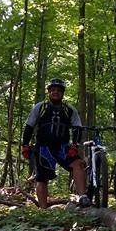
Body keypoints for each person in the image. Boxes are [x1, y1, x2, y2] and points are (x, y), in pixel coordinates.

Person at [21, 78, 89, 208]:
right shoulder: (40, 107)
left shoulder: (69, 109)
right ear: (49, 92)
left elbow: (77, 128)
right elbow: (29, 126)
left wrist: (75, 145)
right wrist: (25, 145)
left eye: (58, 90)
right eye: (52, 90)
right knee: (42, 178)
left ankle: (83, 197)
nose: (55, 92)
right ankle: (43, 209)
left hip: (63, 147)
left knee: (78, 164)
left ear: (62, 93)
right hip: (43, 147)